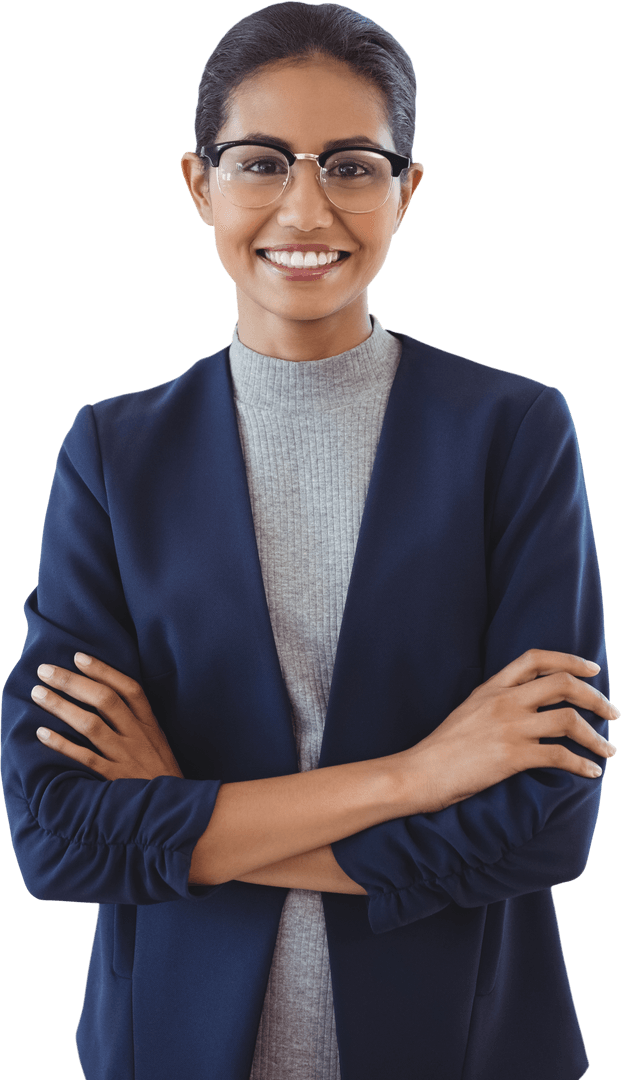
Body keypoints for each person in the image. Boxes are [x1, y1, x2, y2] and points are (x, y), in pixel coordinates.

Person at [0, 4, 616, 1079]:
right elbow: (58, 833)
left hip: (464, 1046)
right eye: (261, 162)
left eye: (352, 165)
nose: (307, 204)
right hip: (176, 1048)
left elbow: (544, 820)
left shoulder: (513, 434)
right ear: (199, 184)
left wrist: (182, 818)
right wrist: (421, 776)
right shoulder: (113, 453)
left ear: (406, 190)